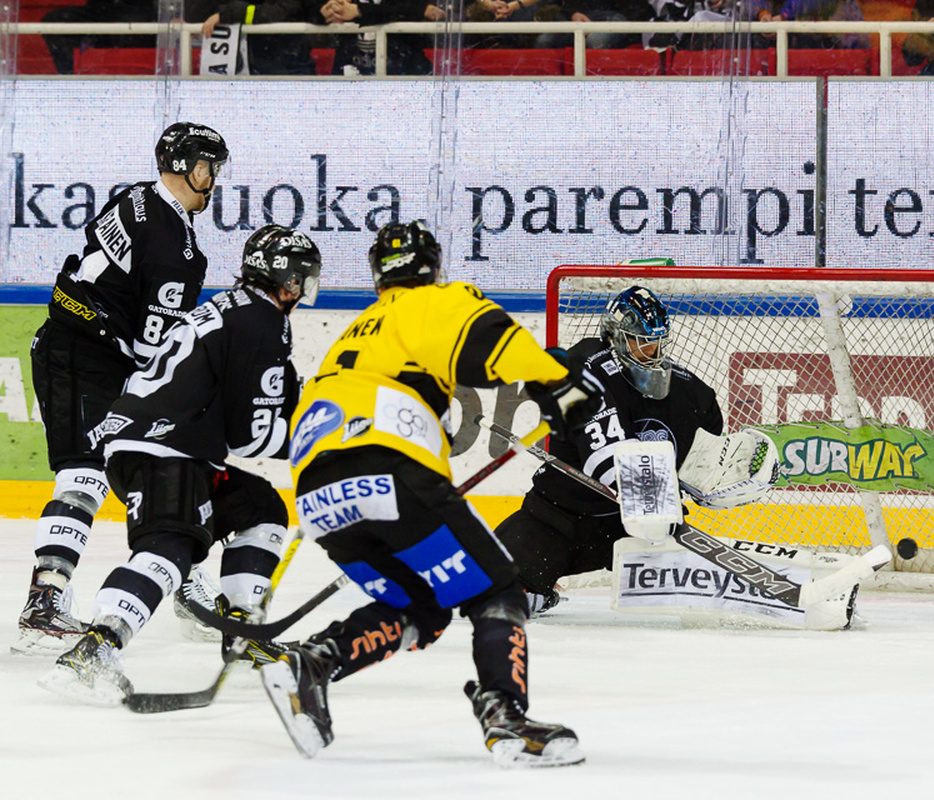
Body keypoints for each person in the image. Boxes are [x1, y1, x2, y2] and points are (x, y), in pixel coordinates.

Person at [259, 221, 598, 765]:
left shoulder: (358, 331)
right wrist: (557, 382)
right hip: (387, 474)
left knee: (424, 605)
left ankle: (315, 662)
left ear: (378, 277)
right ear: (433, 269)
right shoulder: (431, 301)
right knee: (499, 587)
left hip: (319, 495)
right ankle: (505, 717)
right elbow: (489, 337)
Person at [38, 225, 321, 705]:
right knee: (171, 547)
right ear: (290, 281)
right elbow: (249, 436)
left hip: (157, 444)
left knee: (260, 509)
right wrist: (315, 446)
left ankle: (242, 629)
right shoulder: (261, 322)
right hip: (165, 447)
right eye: (303, 279)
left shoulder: (236, 309)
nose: (303, 290)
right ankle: (96, 647)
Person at [15, 122, 229, 656]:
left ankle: (181, 581)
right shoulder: (176, 250)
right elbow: (155, 346)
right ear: (182, 168)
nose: (212, 180)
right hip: (88, 357)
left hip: (70, 344)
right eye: (206, 168)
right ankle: (44, 601)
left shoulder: (135, 197)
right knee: (92, 472)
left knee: (149, 462)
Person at [493, 285, 725, 614]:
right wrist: (651, 499)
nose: (651, 350)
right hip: (560, 520)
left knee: (686, 601)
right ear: (615, 336)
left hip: (634, 530)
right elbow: (609, 459)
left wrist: (717, 479)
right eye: (640, 341)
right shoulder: (584, 364)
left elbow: (707, 456)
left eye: (656, 341)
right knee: (495, 590)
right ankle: (535, 585)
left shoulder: (689, 391)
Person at [189, 0, 317, 75]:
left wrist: (232, 13)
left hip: (285, 66)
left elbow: (279, 12)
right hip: (226, 70)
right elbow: (195, 16)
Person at [317, 0, 444, 75]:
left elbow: (425, 10)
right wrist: (326, 10)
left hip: (406, 77)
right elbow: (308, 10)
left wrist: (359, 11)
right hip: (350, 77)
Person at [41, 0, 157, 75]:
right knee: (53, 22)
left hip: (137, 8)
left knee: (129, 31)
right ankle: (72, 77)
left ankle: (130, 82)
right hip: (101, 7)